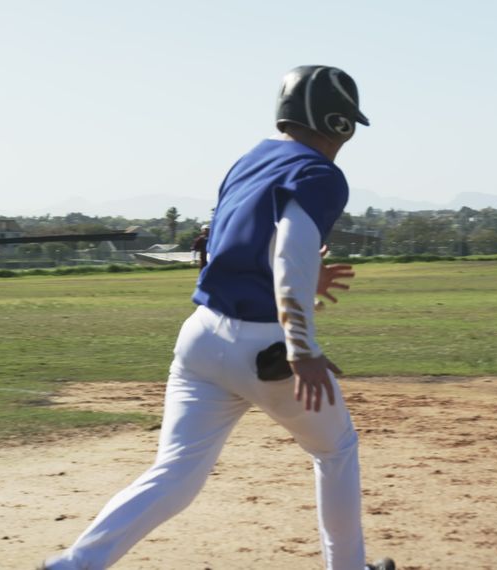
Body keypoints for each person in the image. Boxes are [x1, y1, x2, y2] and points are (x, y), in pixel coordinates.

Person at [41, 65, 394, 570]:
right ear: (336, 122)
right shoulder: (319, 173)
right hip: (266, 352)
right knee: (335, 450)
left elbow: (215, 248)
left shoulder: (250, 160)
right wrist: (303, 348)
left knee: (176, 473)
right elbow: (291, 250)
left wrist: (286, 280)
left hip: (202, 339)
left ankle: (72, 565)